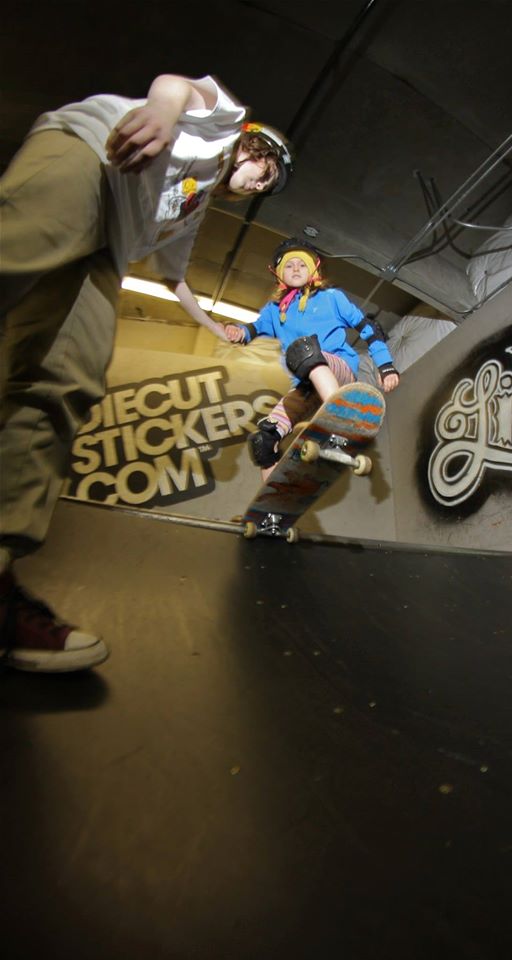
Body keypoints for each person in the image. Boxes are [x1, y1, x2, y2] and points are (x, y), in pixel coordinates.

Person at [0, 74, 293, 672]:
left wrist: (216, 328)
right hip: (88, 160)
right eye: (262, 172)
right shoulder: (221, 127)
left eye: (264, 187)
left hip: (106, 249)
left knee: (66, 381)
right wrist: (160, 113)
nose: (257, 185)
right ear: (251, 147)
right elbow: (178, 85)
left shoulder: (191, 210)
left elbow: (174, 278)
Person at [224, 238, 400, 479]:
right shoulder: (275, 310)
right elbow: (252, 329)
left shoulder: (332, 297)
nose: (296, 269)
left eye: (302, 264)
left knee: (304, 351)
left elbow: (368, 328)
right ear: (278, 274)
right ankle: (275, 493)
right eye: (289, 265)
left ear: (313, 270)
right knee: (263, 440)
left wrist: (386, 366)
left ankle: (340, 416)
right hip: (306, 386)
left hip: (338, 370)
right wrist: (237, 331)